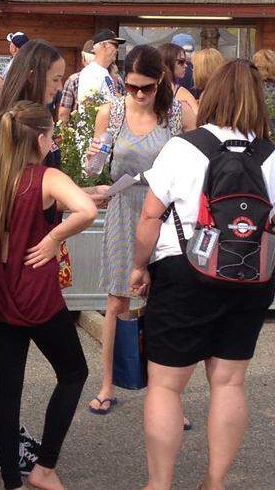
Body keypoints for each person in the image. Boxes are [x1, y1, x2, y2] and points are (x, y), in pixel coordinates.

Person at [128, 61, 275, 490]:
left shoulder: (185, 147)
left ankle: (159, 484)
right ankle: (215, 482)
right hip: (248, 278)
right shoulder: (271, 156)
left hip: (184, 271)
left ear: (211, 95)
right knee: (229, 382)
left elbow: (150, 217)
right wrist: (260, 280)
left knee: (166, 387)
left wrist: (138, 266)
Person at [0, 101, 97, 490]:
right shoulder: (46, 177)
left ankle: (11, 482)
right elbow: (84, 210)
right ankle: (45, 467)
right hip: (37, 297)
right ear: (40, 138)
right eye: (51, 134)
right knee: (73, 372)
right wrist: (53, 237)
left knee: (8, 388)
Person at [85, 44, 194, 418]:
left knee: (165, 305)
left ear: (161, 79)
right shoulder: (112, 112)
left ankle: (168, 399)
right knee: (117, 301)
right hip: (123, 208)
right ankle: (107, 385)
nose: (140, 95)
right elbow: (93, 170)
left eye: (146, 87)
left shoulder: (178, 114)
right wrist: (95, 155)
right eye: (132, 87)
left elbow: (195, 168)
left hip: (165, 215)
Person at [76, 30, 126, 106]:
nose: (117, 49)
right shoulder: (91, 72)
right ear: (103, 45)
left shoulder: (102, 71)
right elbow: (89, 106)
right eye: (115, 45)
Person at [57, 40, 95, 124]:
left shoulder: (74, 80)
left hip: (78, 132)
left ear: (83, 59)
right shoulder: (115, 79)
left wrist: (64, 134)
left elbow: (63, 113)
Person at [158, 43, 199, 115]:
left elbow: (196, 120)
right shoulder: (149, 89)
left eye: (186, 61)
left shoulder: (183, 94)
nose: (186, 65)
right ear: (167, 62)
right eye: (181, 62)